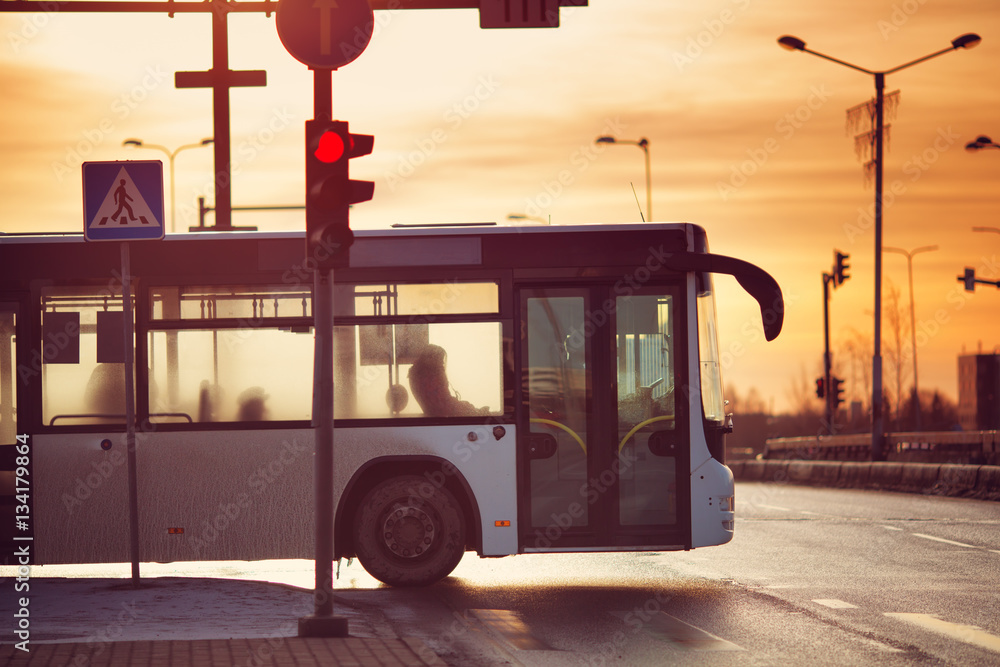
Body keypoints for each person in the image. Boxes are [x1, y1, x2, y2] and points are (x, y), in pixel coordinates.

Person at [407, 344, 488, 417]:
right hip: (444, 412)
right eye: (440, 359)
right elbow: (444, 403)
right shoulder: (431, 375)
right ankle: (478, 412)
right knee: (468, 407)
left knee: (467, 406)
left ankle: (477, 411)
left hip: (437, 411)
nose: (442, 362)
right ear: (432, 358)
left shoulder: (416, 374)